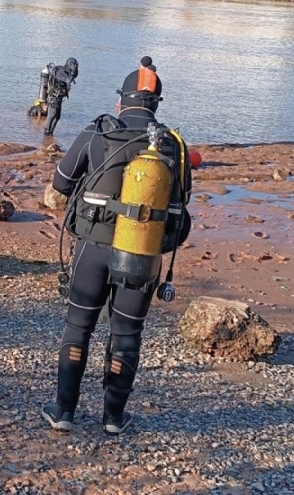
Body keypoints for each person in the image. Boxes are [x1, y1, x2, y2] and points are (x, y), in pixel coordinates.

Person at [41, 65, 192, 435]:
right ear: (155, 104)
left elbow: (61, 182)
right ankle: (112, 418)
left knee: (79, 327)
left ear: (120, 101)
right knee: (126, 336)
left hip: (92, 249)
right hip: (142, 254)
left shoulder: (97, 131)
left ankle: (63, 411)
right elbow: (182, 205)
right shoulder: (173, 145)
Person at [28, 57, 79, 136]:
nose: (74, 67)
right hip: (54, 98)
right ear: (69, 65)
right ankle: (46, 134)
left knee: (57, 117)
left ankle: (50, 133)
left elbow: (74, 76)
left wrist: (74, 70)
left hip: (59, 98)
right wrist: (72, 71)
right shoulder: (60, 72)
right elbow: (68, 80)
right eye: (73, 65)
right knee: (51, 116)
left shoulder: (66, 72)